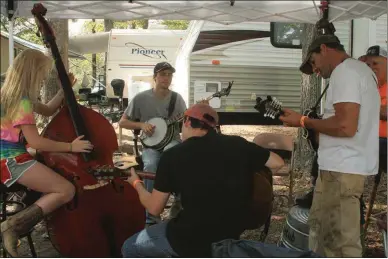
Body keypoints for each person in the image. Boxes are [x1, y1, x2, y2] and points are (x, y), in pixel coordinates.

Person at [121, 103, 285, 258]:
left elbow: (154, 208)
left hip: (189, 240)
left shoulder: (172, 155)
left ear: (186, 121)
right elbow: (278, 163)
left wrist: (137, 183)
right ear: (213, 126)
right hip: (229, 237)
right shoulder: (238, 144)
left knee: (129, 248)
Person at [279, 34, 380, 257]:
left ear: (324, 48)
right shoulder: (356, 71)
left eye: (313, 62)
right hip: (338, 167)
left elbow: (345, 126)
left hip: (343, 169)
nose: (315, 70)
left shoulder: (346, 72)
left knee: (341, 243)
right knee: (321, 234)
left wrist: (304, 121)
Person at [0, 49, 93, 257]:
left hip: (6, 160)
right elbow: (36, 142)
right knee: (66, 190)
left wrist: (64, 89)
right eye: (42, 73)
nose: (43, 78)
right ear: (33, 72)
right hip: (11, 162)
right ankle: (13, 226)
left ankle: (21, 220)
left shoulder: (10, 95)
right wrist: (71, 147)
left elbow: (49, 110)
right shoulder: (21, 101)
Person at [119, 62, 187, 225]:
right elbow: (122, 122)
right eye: (163, 74)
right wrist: (141, 125)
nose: (166, 78)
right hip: (150, 144)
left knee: (173, 157)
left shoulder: (177, 99)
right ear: (155, 77)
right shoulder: (141, 98)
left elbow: (185, 121)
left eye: (169, 75)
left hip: (172, 140)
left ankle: (178, 208)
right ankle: (151, 215)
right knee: (150, 165)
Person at [364, 45, 387, 174]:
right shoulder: (366, 87)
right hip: (367, 139)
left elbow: (385, 113)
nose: (371, 68)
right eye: (368, 65)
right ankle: (316, 187)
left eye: (375, 63)